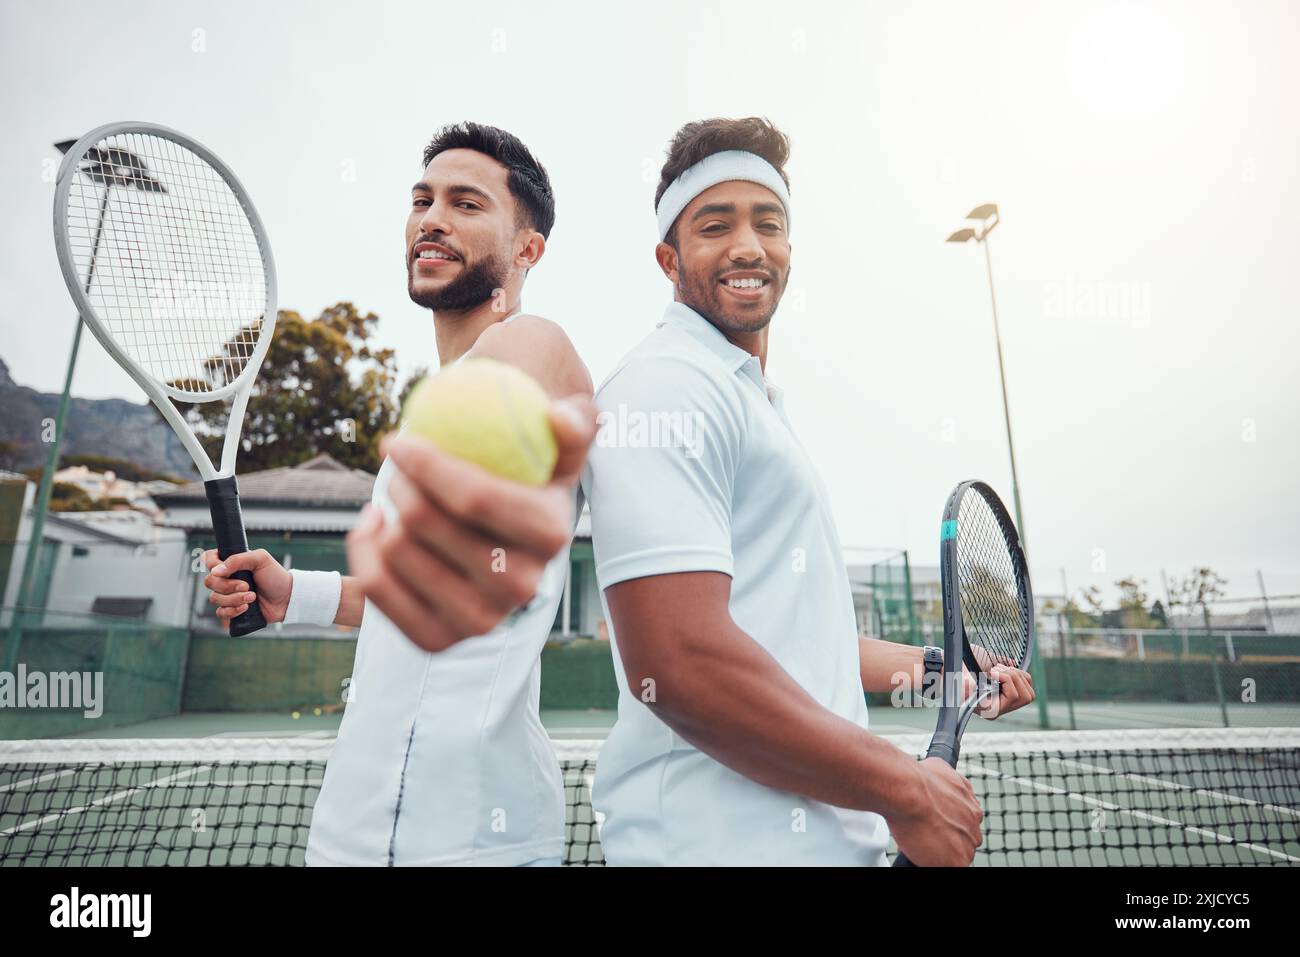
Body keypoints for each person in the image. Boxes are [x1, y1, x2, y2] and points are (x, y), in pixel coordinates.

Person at [579, 117, 1035, 866]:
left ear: (788, 249)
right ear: (669, 258)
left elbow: (804, 643)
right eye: (714, 225)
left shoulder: (754, 403)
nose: (748, 246)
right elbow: (681, 664)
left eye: (768, 223)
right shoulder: (665, 386)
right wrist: (907, 790)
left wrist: (944, 674)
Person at [203, 121, 594, 866]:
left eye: (467, 204)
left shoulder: (539, 355)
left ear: (527, 249)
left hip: (483, 845)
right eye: (422, 200)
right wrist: (298, 595)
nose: (432, 218)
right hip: (346, 840)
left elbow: (529, 356)